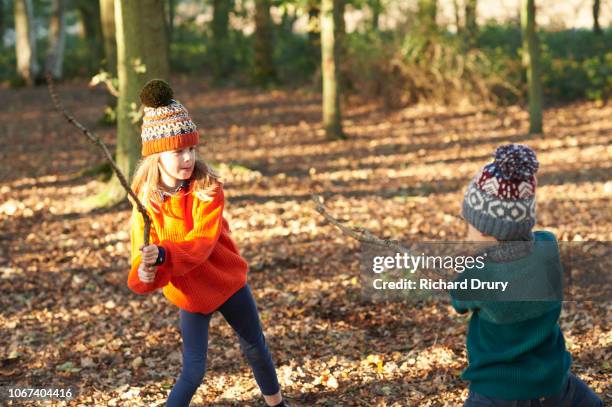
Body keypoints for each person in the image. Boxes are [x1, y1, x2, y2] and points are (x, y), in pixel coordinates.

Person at [126, 79, 290, 407]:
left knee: (256, 347)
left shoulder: (208, 188)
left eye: (191, 148)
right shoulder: (146, 207)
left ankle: (278, 405)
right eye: (178, 151)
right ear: (157, 155)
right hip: (191, 295)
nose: (187, 158)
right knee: (193, 372)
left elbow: (201, 243)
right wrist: (146, 272)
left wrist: (163, 254)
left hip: (226, 283)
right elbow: (142, 273)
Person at [451, 144, 603, 406]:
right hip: (553, 381)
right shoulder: (547, 247)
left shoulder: (480, 274)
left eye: (469, 225)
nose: (467, 233)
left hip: (498, 390)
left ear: (486, 229)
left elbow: (458, 300)